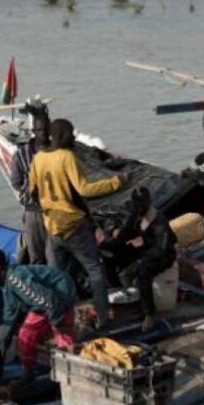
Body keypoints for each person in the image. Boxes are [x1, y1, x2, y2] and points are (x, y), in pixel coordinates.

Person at [30, 117, 122, 329]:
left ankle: (58, 320)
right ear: (62, 136)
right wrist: (116, 182)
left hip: (53, 226)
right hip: (74, 224)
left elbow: (32, 192)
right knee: (94, 269)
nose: (73, 138)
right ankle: (103, 318)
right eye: (70, 134)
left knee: (57, 275)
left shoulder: (38, 158)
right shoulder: (67, 156)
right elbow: (84, 189)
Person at [0, 248, 76, 381]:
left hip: (61, 293)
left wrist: (57, 322)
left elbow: (49, 301)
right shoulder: (5, 284)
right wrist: (4, 342)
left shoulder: (17, 280)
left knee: (62, 334)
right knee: (25, 334)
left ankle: (71, 373)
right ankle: (28, 373)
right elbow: (10, 312)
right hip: (43, 303)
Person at [99, 187, 178, 332]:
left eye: (142, 204)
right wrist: (105, 246)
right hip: (143, 248)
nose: (139, 208)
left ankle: (149, 313)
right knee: (109, 257)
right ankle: (120, 294)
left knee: (143, 270)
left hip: (163, 254)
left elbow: (160, 248)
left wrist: (145, 243)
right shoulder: (136, 216)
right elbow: (124, 236)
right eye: (137, 204)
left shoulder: (159, 221)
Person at [9, 104, 51, 265]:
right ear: (33, 131)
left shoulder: (57, 151)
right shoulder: (21, 154)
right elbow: (16, 182)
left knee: (56, 254)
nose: (43, 133)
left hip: (56, 209)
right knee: (37, 254)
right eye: (40, 130)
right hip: (33, 211)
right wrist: (29, 191)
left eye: (46, 129)